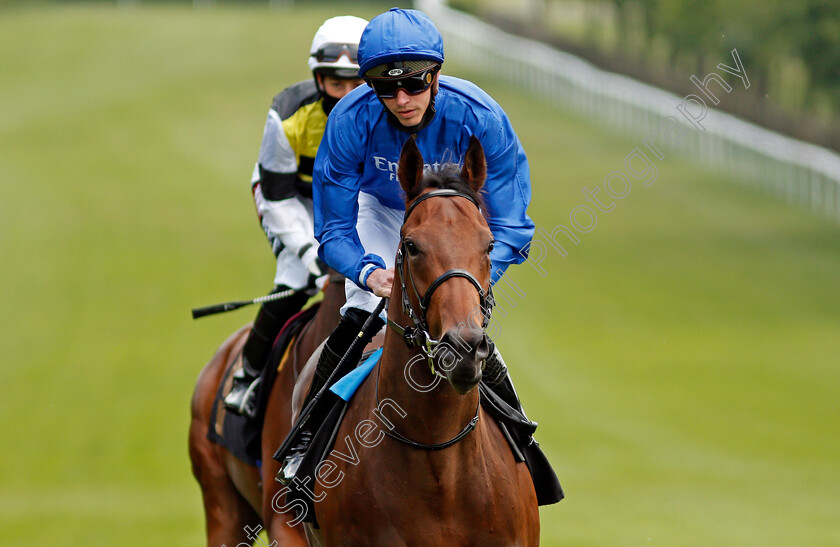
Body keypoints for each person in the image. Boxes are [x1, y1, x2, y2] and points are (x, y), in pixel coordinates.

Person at [277, 8, 537, 480]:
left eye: (414, 84)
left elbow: (513, 224)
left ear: (436, 76)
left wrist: (472, 276)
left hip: (454, 221)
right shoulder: (349, 120)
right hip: (379, 210)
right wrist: (367, 271)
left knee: (468, 323)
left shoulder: (479, 116)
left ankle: (524, 444)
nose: (401, 100)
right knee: (358, 312)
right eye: (384, 87)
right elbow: (333, 229)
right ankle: (307, 446)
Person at [224, 15, 368, 418]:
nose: (346, 95)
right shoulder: (289, 116)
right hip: (292, 202)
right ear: (318, 80)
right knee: (295, 280)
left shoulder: (387, 115)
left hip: (355, 205)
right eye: (336, 83)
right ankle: (248, 374)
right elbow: (278, 197)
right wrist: (312, 255)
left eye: (357, 83)